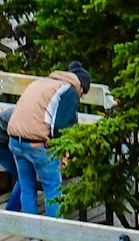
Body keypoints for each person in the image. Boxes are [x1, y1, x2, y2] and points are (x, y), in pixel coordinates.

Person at [5, 64, 89, 219]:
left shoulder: (41, 82)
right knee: (53, 189)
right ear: (81, 87)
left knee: (27, 188)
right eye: (83, 94)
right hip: (37, 143)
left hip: (15, 139)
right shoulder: (69, 90)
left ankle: (34, 238)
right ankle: (55, 239)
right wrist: (63, 153)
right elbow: (60, 127)